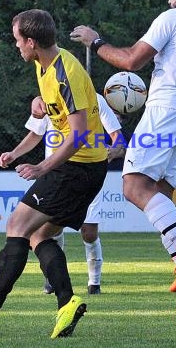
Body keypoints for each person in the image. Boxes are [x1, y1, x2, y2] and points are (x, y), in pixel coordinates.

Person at [0, 9, 108, 339]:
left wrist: (43, 166)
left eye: (17, 39)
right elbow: (49, 120)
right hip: (84, 168)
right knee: (38, 236)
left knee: (17, 225)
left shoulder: (65, 73)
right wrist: (17, 152)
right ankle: (67, 304)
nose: (16, 45)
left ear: (31, 41)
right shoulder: (43, 65)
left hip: (77, 166)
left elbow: (77, 135)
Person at [69, 0, 176, 322]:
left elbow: (132, 60)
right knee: (160, 199)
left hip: (165, 110)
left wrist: (96, 41)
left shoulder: (174, 17)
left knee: (133, 187)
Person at [19, 93, 125, 295]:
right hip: (56, 177)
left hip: (87, 173)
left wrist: (116, 149)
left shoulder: (96, 100)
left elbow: (117, 136)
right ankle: (53, 278)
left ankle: (94, 283)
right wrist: (14, 154)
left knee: (89, 231)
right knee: (51, 230)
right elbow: (35, 133)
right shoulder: (49, 97)